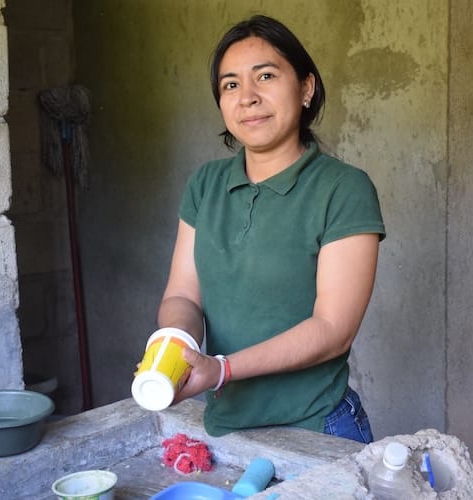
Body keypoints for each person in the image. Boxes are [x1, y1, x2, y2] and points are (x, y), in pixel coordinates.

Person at [151, 14, 385, 444]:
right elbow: (183, 294)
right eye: (231, 84)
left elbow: (332, 330)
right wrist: (173, 345)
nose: (248, 98)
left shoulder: (343, 189)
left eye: (266, 76)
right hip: (227, 426)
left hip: (317, 426)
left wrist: (220, 369)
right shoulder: (206, 184)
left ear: (306, 88)